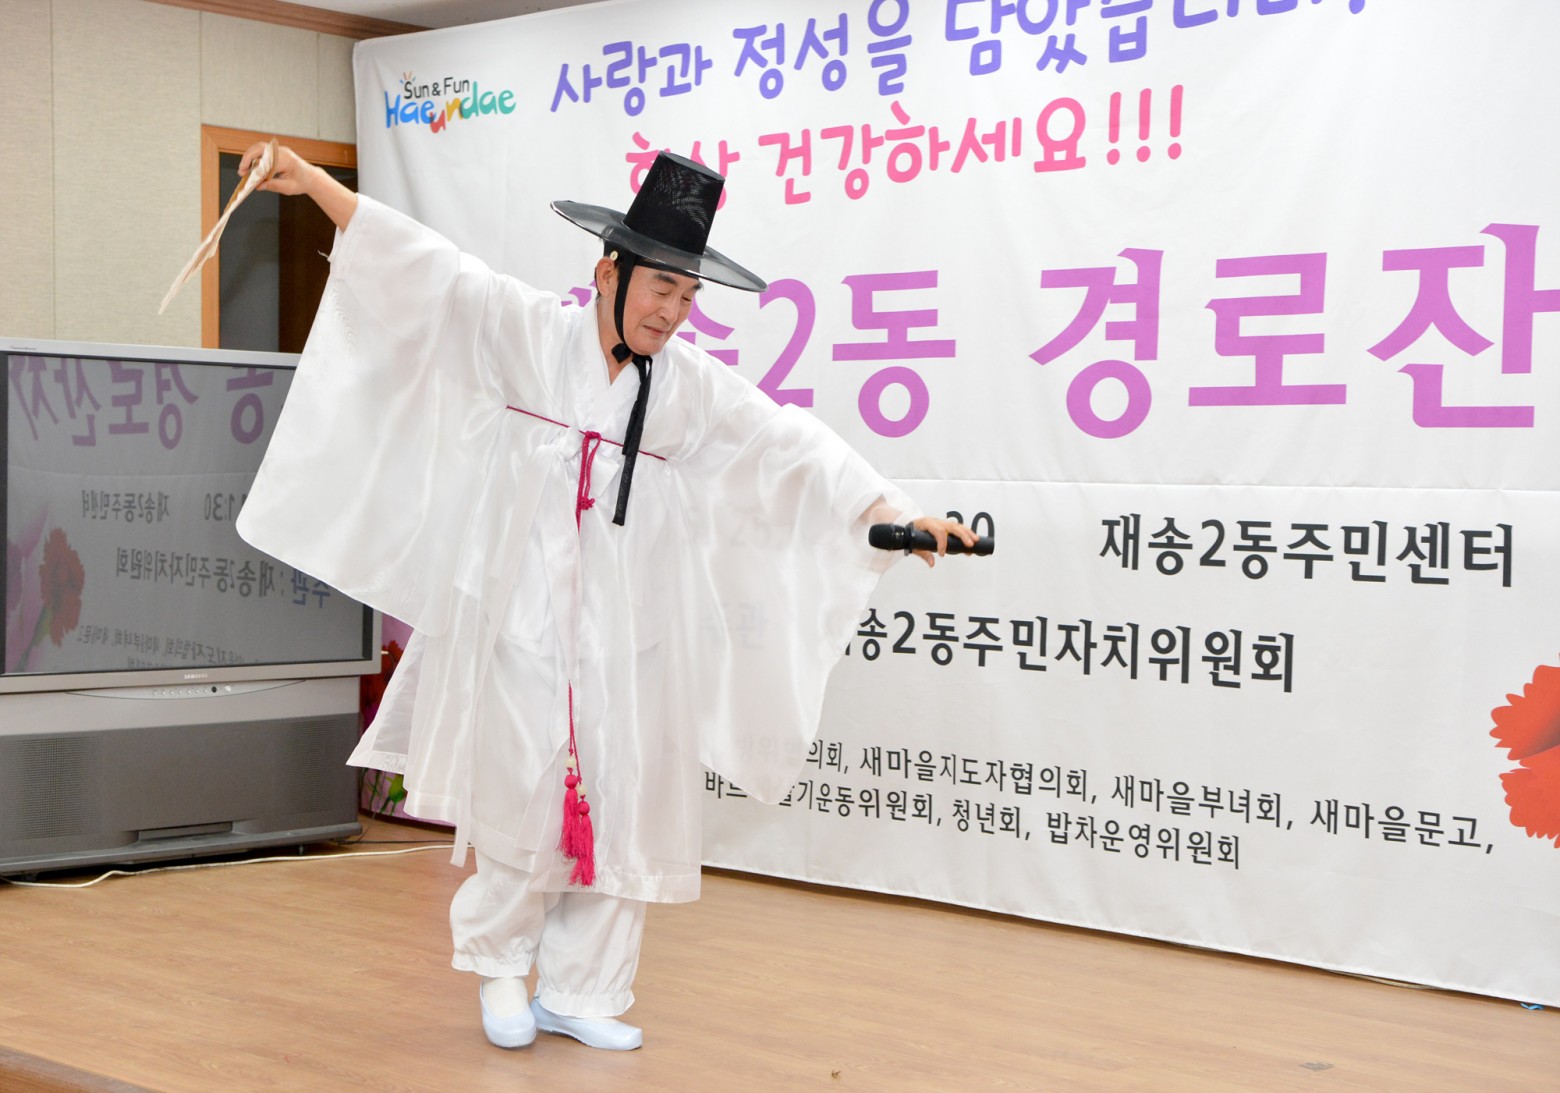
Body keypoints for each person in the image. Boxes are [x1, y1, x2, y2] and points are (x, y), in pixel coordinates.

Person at [234, 142, 975, 1053]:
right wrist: (316, 184)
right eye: (660, 286)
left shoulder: (690, 388)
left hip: (630, 630)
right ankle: (501, 966)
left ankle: (583, 987)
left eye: (689, 296)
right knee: (524, 789)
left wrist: (892, 513)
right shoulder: (528, 332)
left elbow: (787, 444)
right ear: (607, 272)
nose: (673, 310)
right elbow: (434, 274)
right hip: (522, 616)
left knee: (624, 800)